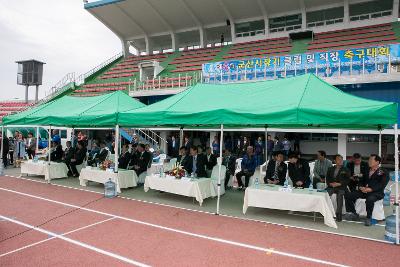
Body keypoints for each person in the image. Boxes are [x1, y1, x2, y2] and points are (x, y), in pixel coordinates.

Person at [345, 154, 388, 226]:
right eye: (369, 159)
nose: (369, 161)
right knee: (348, 195)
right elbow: (361, 180)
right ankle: (353, 213)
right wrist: (361, 187)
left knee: (370, 199)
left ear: (377, 162)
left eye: (371, 160)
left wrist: (371, 189)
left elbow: (382, 184)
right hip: (364, 191)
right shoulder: (367, 169)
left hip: (376, 193)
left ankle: (368, 217)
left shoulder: (382, 171)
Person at [326, 154, 350, 222]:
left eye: (341, 159)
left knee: (340, 196)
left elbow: (348, 180)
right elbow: (327, 178)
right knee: (325, 194)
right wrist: (330, 184)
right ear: (335, 161)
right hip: (331, 186)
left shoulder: (346, 169)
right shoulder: (330, 169)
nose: (340, 161)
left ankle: (339, 214)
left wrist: (339, 184)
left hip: (341, 187)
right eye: (338, 159)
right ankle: (325, 211)